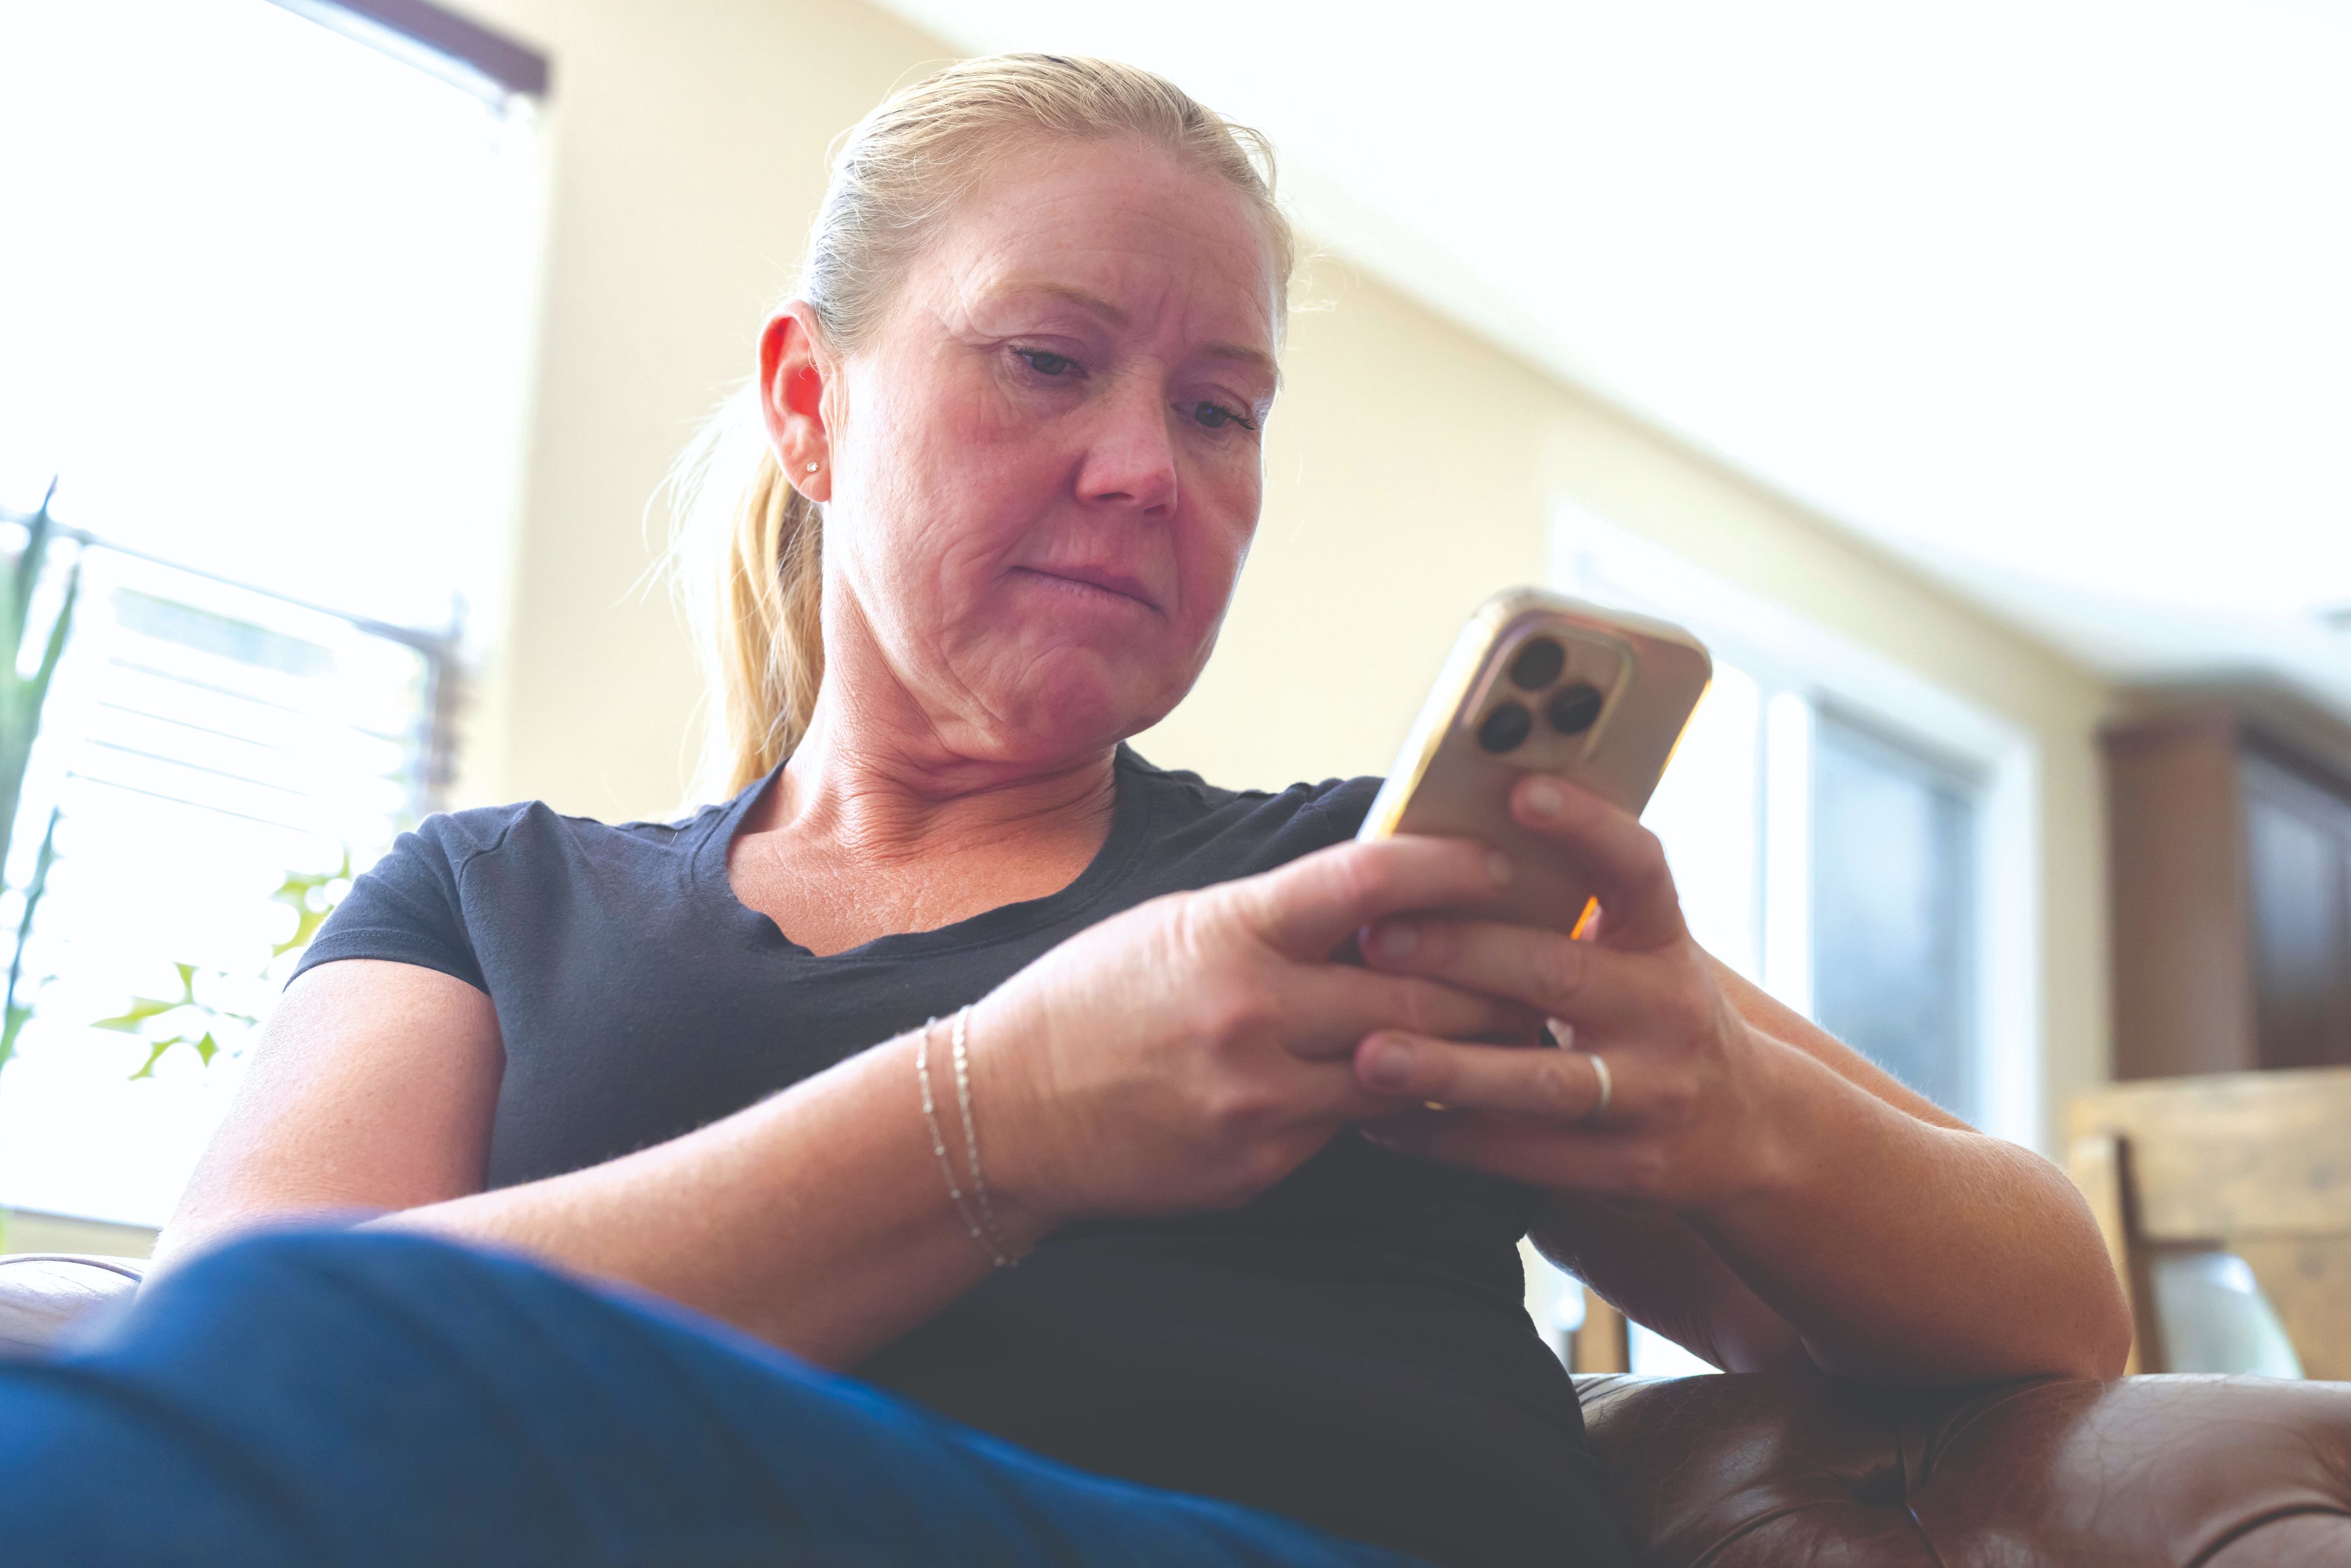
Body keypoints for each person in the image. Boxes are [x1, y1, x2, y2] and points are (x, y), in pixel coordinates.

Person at [5, 53, 2129, 1568]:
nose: (1148, 469)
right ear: (811, 402)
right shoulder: (491, 899)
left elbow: (2059, 1300)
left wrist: (1729, 1116)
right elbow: (255, 1351)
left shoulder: (1349, 886)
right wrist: (1002, 1111)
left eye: (1221, 410)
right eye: (1047, 361)